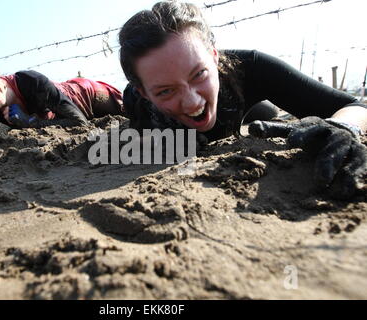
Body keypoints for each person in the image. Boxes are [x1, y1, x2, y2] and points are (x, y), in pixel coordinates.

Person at [118, 1, 367, 199]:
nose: (192, 102)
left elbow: (356, 106)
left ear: (214, 56)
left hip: (252, 110)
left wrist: (343, 126)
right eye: (165, 92)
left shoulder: (251, 68)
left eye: (199, 74)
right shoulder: (136, 102)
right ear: (144, 92)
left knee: (266, 113)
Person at [0, 45, 124, 130]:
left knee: (135, 108)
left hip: (88, 94)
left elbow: (79, 122)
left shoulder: (31, 82)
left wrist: (30, 123)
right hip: (61, 105)